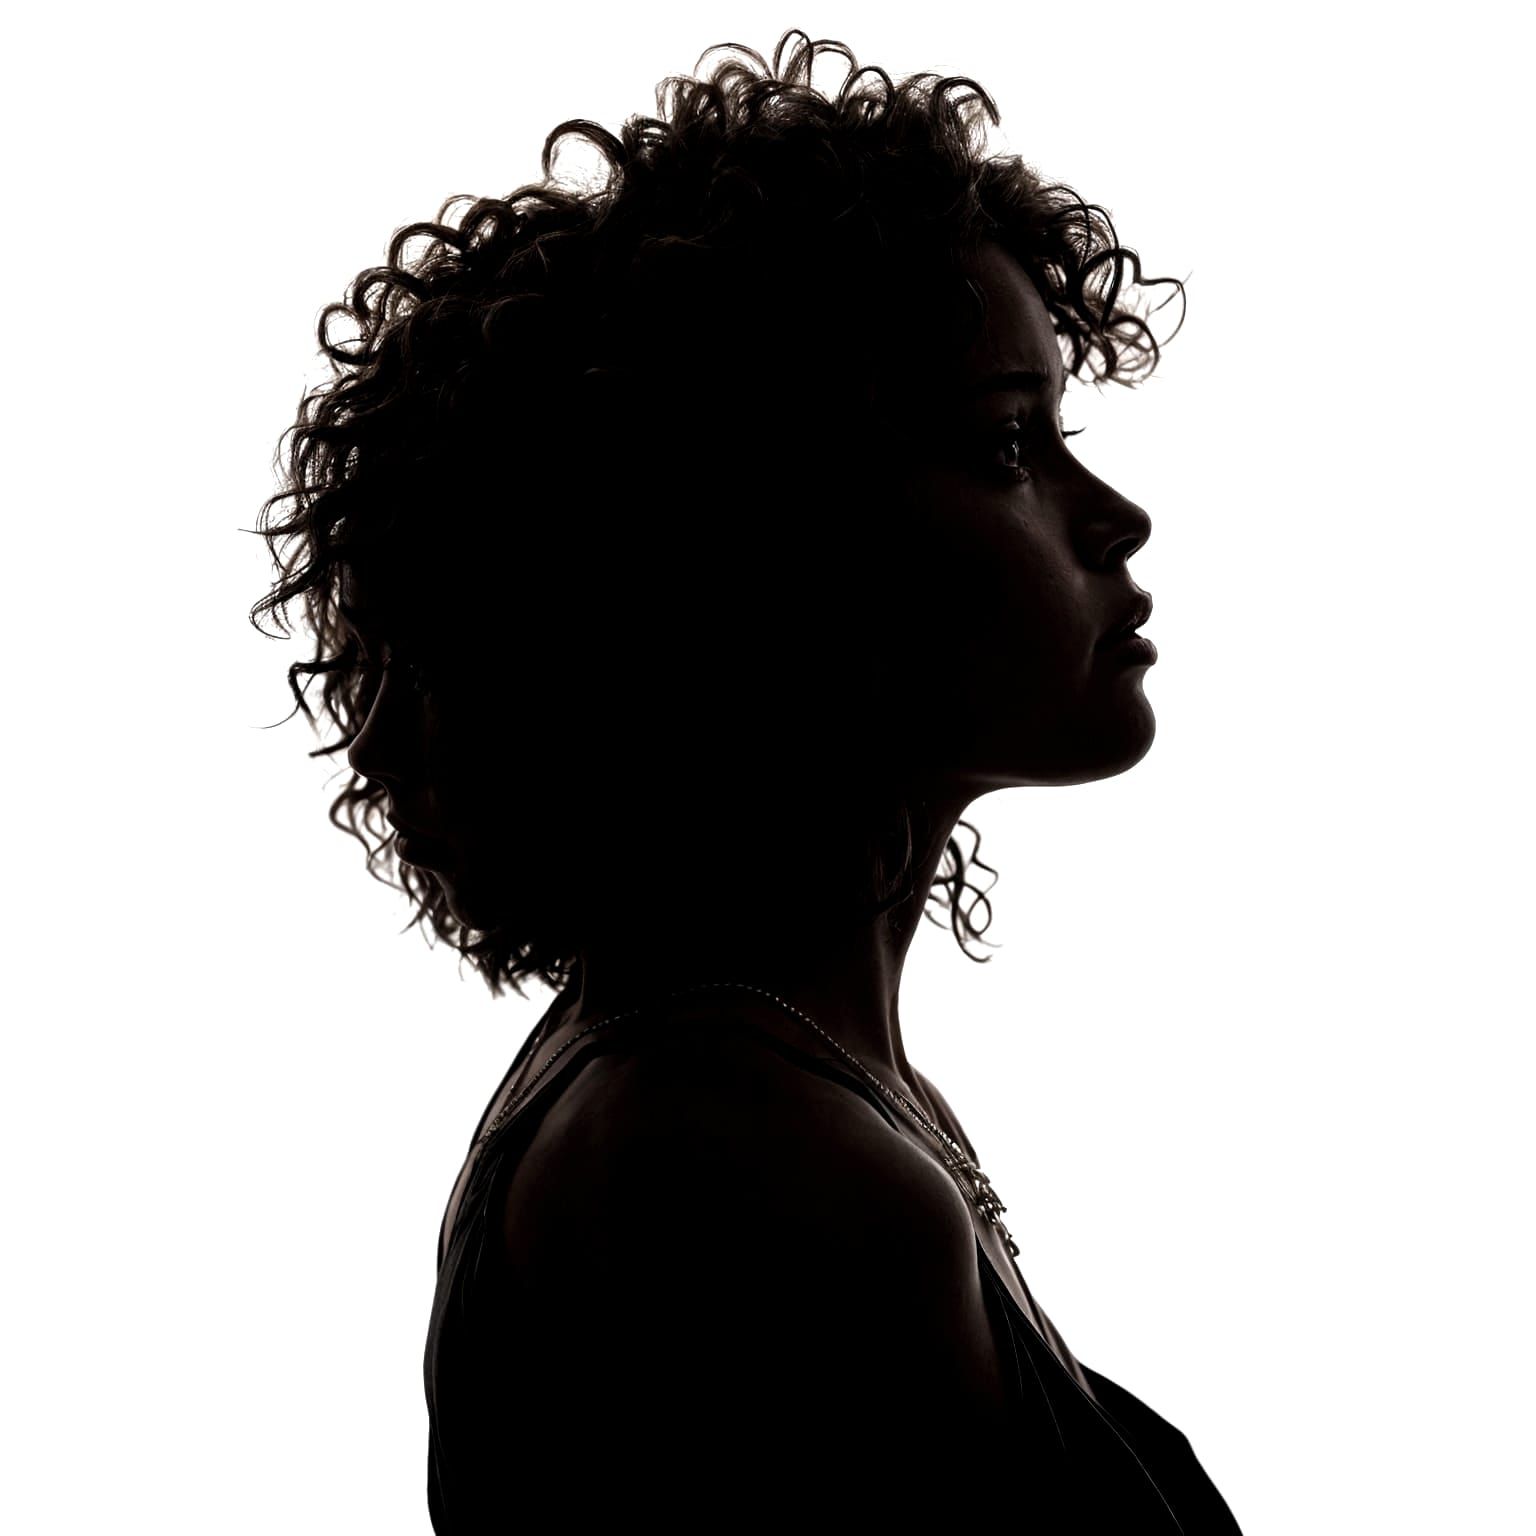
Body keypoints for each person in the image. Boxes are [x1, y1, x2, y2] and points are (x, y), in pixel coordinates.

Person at [250, 27, 1240, 1532]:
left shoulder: (785, 1087)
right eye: (1007, 446)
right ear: (771, 549)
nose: (1119, 516)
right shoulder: (750, 1158)